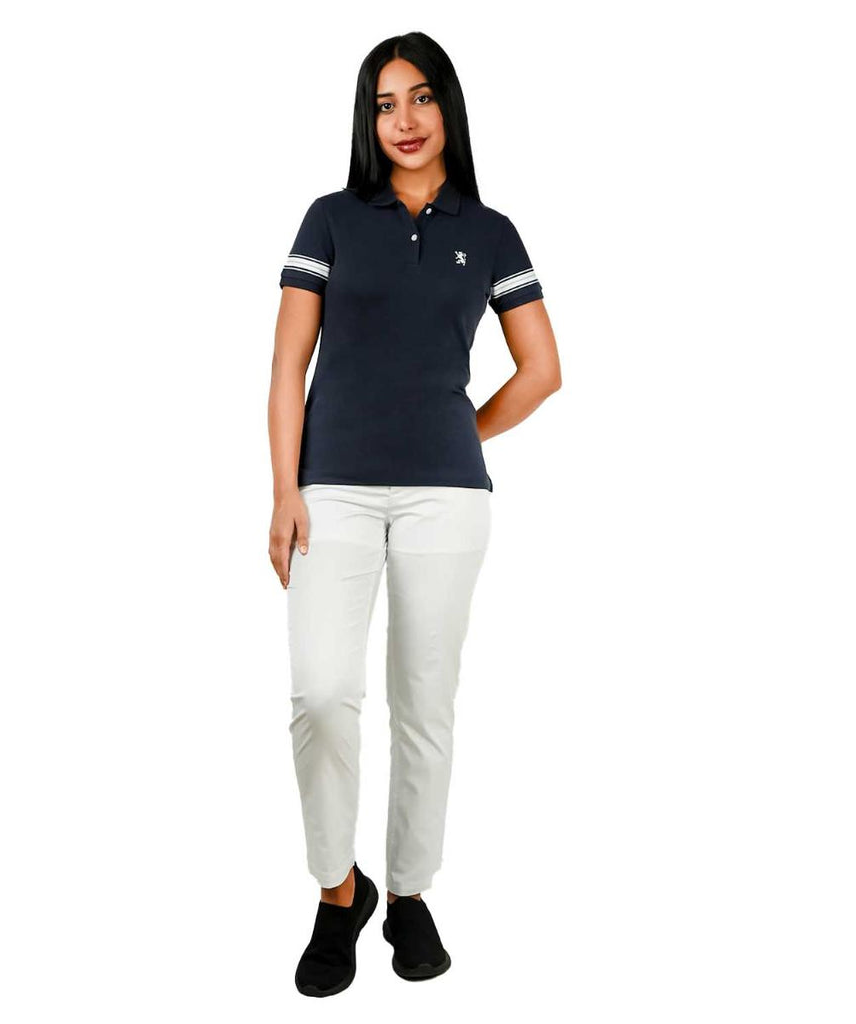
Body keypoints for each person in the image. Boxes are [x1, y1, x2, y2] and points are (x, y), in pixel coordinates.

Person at [268, 32, 562, 997]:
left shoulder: (494, 231)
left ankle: (408, 894)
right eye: (384, 103)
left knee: (425, 702)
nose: (404, 120)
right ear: (368, 120)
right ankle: (338, 891)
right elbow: (288, 365)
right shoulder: (330, 219)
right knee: (321, 694)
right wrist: (284, 490)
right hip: (331, 489)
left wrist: (458, 434)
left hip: (447, 497)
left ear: (448, 109)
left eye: (421, 98)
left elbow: (543, 370)